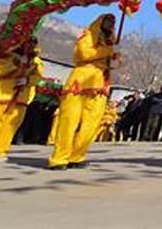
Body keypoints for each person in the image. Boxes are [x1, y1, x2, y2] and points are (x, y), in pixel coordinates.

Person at [48, 14, 120, 170]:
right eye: (107, 21)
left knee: (92, 124)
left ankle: (77, 155)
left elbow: (112, 64)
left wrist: (115, 58)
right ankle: (59, 158)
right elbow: (83, 54)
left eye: (112, 22)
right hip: (80, 83)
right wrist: (107, 52)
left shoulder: (110, 43)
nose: (110, 24)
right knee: (69, 121)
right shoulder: (88, 35)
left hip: (100, 85)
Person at [0, 37, 43, 162]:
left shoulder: (37, 62)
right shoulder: (8, 56)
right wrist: (15, 63)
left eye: (33, 43)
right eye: (28, 43)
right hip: (1, 93)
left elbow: (38, 78)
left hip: (21, 96)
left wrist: (27, 80)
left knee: (10, 127)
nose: (30, 46)